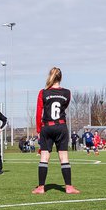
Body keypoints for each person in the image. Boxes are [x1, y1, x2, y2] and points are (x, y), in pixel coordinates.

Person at [32, 66, 79, 195]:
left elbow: (38, 113)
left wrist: (38, 130)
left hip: (47, 127)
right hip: (61, 126)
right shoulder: (67, 93)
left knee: (44, 157)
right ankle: (68, 187)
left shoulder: (43, 92)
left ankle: (41, 187)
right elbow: (65, 106)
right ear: (61, 78)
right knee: (63, 157)